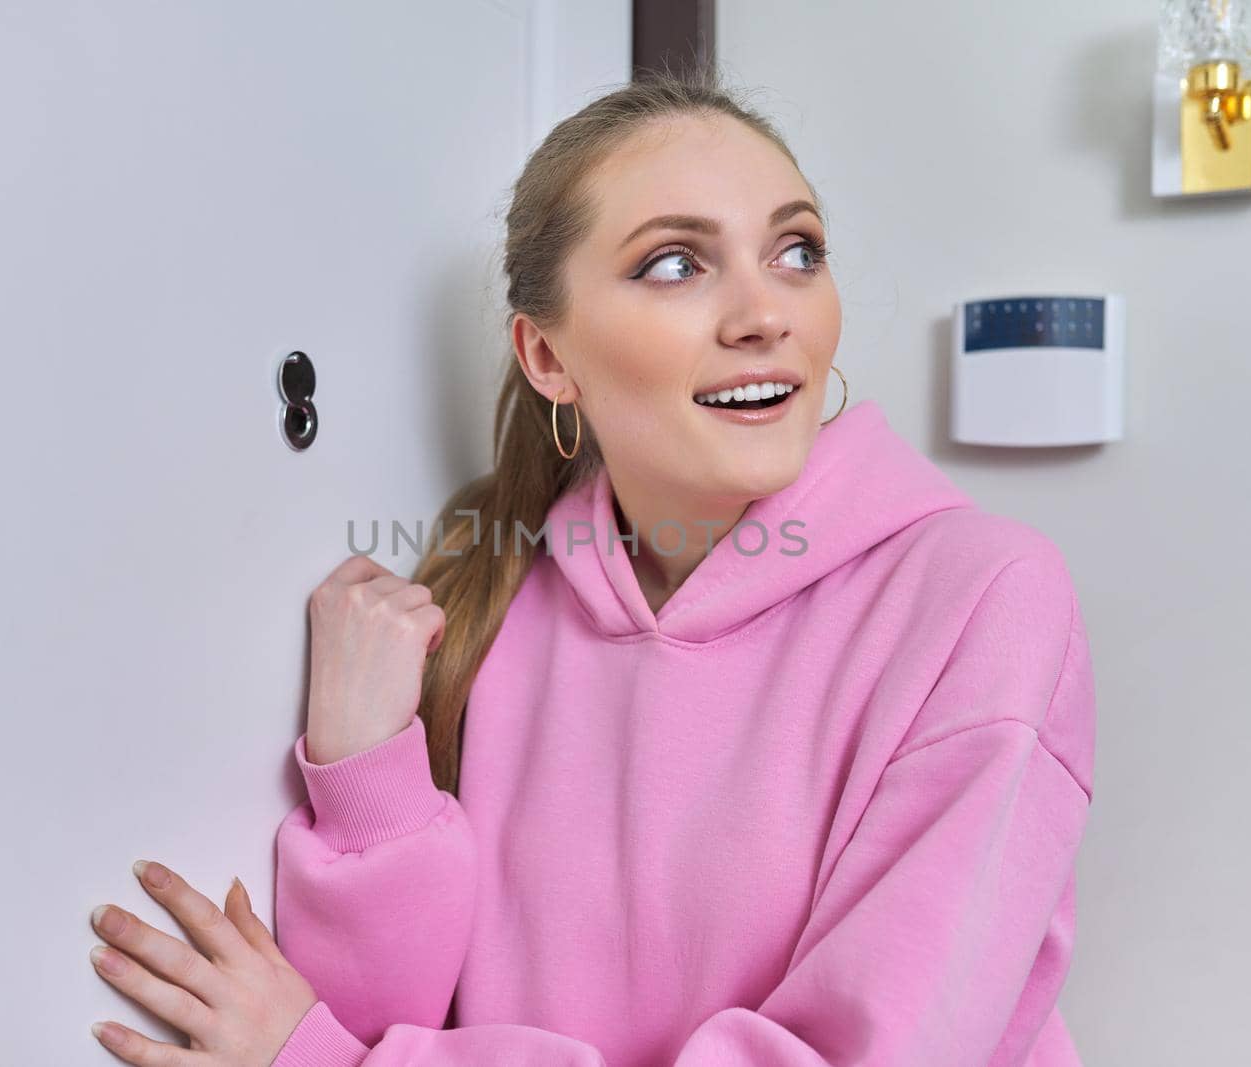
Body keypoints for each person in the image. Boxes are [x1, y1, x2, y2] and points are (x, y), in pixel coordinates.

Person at [269, 67, 1097, 1065]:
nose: (764, 314)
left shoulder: (979, 597)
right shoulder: (490, 607)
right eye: (675, 265)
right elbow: (365, 1025)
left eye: (797, 252)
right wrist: (368, 769)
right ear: (545, 357)